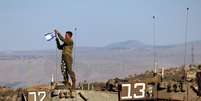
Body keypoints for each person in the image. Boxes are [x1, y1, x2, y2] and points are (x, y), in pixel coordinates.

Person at [54, 29, 76, 97]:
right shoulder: (65, 42)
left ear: (69, 36)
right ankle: (66, 82)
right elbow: (59, 47)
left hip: (68, 57)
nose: (65, 36)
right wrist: (56, 39)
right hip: (63, 57)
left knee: (69, 70)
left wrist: (58, 33)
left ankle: (73, 83)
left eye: (66, 35)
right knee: (63, 70)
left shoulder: (70, 41)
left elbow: (63, 39)